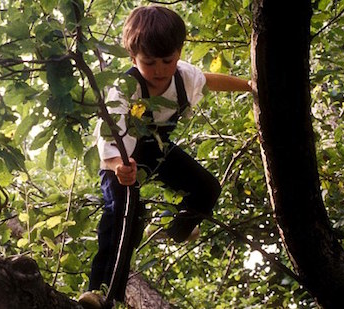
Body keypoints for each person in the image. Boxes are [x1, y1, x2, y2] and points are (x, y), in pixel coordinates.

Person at [78, 5, 252, 308]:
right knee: (123, 213)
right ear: (133, 58)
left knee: (207, 188)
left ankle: (176, 229)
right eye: (149, 63)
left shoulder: (184, 77)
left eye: (167, 61)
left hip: (155, 149)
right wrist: (120, 166)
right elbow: (110, 136)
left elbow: (209, 80)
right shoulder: (124, 88)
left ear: (179, 52)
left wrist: (249, 87)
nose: (159, 70)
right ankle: (101, 290)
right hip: (120, 156)